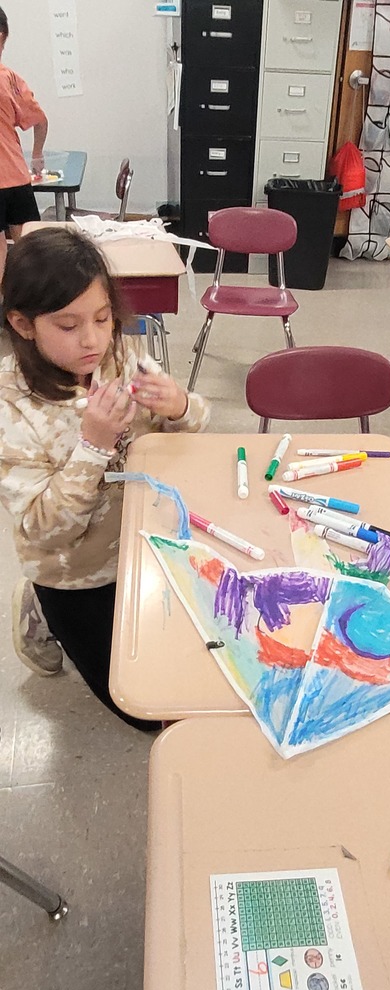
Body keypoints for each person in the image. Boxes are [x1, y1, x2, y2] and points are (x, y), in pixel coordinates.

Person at [0, 227, 210, 728]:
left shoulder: (119, 357)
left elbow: (194, 432)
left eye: (101, 318)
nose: (93, 339)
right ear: (24, 325)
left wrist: (179, 407)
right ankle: (39, 605)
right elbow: (45, 530)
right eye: (68, 326)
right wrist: (92, 446)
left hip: (142, 544)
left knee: (187, 666)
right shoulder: (12, 407)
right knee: (141, 712)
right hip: (72, 572)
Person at [0, 7, 48, 280]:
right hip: (14, 177)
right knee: (31, 249)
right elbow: (40, 120)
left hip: (12, 176)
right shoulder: (9, 78)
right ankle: (37, 303)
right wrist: (37, 155)